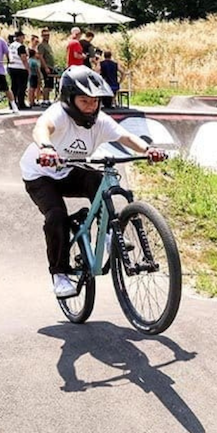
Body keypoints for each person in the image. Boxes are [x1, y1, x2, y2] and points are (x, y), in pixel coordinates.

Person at [20, 67, 167, 297]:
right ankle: (59, 274)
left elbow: (126, 137)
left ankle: (108, 235)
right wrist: (46, 148)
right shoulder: (59, 114)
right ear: (69, 100)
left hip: (71, 170)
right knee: (56, 216)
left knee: (98, 180)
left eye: (95, 101)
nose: (91, 106)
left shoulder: (100, 121)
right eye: (84, 101)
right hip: (40, 175)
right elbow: (42, 128)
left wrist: (148, 149)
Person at [8, 30, 31, 110]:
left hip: (12, 67)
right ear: (20, 37)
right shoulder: (21, 46)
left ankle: (12, 103)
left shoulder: (11, 45)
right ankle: (21, 104)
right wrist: (28, 69)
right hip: (20, 68)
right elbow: (23, 58)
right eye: (23, 37)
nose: (24, 38)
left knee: (14, 86)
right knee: (21, 87)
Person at [36, 28, 58, 106]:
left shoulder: (48, 45)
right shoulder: (41, 45)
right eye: (45, 35)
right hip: (46, 66)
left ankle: (47, 99)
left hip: (51, 66)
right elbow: (41, 56)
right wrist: (45, 67)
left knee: (50, 84)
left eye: (48, 35)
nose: (47, 37)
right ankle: (45, 100)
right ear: (42, 36)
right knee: (47, 83)